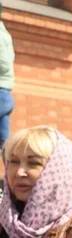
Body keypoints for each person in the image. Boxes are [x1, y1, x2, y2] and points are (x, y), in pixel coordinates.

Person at [0, 15, 14, 149]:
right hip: (4, 92)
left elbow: (4, 64)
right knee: (4, 141)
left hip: (1, 91)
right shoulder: (4, 34)